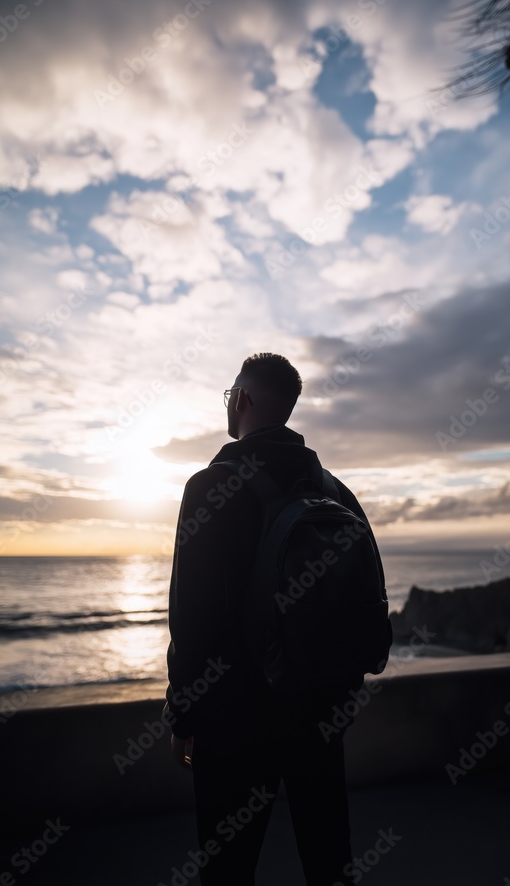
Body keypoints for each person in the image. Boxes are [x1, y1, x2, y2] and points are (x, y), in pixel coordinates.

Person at [163, 352, 379, 885]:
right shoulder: (334, 490)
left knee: (227, 867)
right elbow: (362, 595)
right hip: (320, 702)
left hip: (235, 715)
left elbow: (193, 617)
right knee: (329, 858)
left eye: (230, 394)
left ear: (242, 400)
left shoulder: (210, 487)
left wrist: (183, 715)